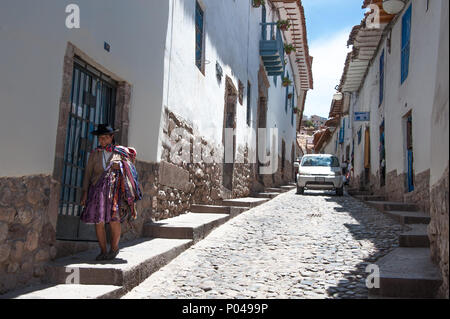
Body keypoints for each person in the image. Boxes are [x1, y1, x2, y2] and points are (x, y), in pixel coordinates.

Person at [80, 124, 142, 261]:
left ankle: (114, 249)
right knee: (99, 221)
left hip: (115, 194)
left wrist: (119, 166)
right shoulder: (94, 154)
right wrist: (85, 192)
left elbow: (130, 171)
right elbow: (88, 174)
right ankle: (103, 251)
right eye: (100, 138)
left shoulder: (120, 153)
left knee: (115, 221)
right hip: (97, 192)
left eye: (104, 138)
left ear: (111, 137)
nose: (101, 141)